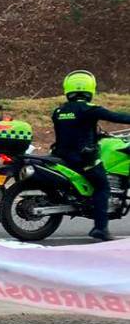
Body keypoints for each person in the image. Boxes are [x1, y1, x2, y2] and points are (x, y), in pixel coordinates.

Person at [53, 70, 130, 241]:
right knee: (103, 187)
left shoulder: (58, 111)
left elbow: (71, 132)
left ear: (68, 88)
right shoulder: (90, 110)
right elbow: (116, 117)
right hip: (83, 159)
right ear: (90, 88)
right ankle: (100, 228)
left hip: (62, 156)